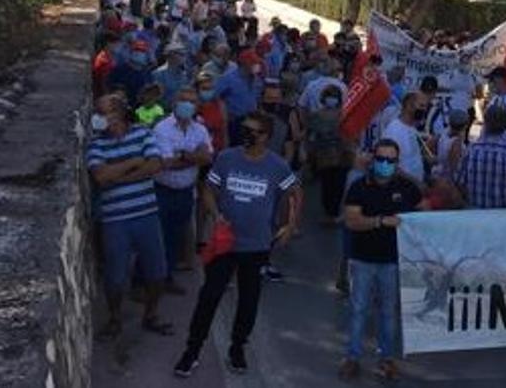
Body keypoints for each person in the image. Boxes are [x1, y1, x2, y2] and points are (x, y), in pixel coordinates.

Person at [173, 111, 302, 377]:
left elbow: (295, 192)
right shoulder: (227, 158)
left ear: (265, 137)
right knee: (209, 297)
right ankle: (192, 351)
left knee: (249, 299)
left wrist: (290, 225)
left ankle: (237, 348)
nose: (248, 134)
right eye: (245, 128)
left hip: (256, 247)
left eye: (254, 131)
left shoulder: (277, 165)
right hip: (226, 244)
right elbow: (209, 189)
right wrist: (215, 213)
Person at [85, 94, 171, 340]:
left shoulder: (142, 133)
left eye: (105, 112)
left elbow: (155, 165)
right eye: (98, 113)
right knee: (115, 276)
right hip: (115, 221)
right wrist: (133, 162)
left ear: (120, 113)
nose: (100, 118)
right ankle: (114, 318)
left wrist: (119, 178)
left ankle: (151, 315)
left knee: (157, 272)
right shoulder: (96, 144)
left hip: (146, 216)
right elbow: (100, 176)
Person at [339, 138, 422, 382]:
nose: (385, 163)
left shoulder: (406, 187)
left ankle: (387, 359)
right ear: (373, 159)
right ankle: (352, 358)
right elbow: (352, 220)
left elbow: (423, 205)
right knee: (359, 309)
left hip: (393, 261)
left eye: (391, 160)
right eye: (381, 159)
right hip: (363, 259)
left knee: (388, 312)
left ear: (397, 163)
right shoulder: (358, 186)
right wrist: (380, 221)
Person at [152, 88, 212, 293]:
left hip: (186, 192)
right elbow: (166, 163)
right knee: (158, 238)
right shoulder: (163, 129)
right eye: (184, 101)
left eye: (193, 102)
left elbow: (208, 158)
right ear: (175, 102)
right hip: (163, 190)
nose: (188, 105)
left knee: (175, 237)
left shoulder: (200, 129)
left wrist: (183, 156)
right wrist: (193, 156)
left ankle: (165, 277)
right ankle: (144, 281)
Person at [455, 106, 506, 209]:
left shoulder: (471, 150)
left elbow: (459, 182)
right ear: (505, 124)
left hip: (474, 213)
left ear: (485, 122)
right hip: (502, 215)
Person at [310, 85, 354, 223]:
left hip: (341, 155)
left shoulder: (345, 115)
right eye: (330, 95)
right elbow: (314, 135)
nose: (332, 99)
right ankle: (331, 212)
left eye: (334, 96)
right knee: (329, 184)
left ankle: (332, 212)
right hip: (327, 155)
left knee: (335, 184)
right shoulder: (318, 115)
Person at [214, 49, 265, 145]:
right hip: (234, 121)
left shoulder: (256, 79)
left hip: (251, 120)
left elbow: (257, 97)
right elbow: (215, 96)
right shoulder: (228, 78)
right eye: (253, 63)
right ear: (244, 64)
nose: (256, 66)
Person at [383, 92, 428, 187]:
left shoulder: (412, 128)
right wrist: (417, 183)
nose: (424, 110)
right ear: (409, 105)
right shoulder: (394, 130)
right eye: (421, 105)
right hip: (402, 188)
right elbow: (390, 166)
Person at [108, 39, 156, 106]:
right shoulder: (119, 70)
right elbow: (111, 88)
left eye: (143, 52)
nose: (139, 54)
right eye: (137, 50)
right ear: (131, 52)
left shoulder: (148, 74)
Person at [153, 40, 192, 107]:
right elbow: (157, 98)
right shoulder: (158, 74)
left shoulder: (184, 73)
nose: (184, 57)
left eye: (184, 54)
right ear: (171, 55)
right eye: (181, 54)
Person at [92, 31, 121, 98]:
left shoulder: (109, 56)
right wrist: (107, 95)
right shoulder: (103, 60)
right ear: (108, 44)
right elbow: (103, 81)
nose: (117, 46)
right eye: (115, 44)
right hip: (101, 93)